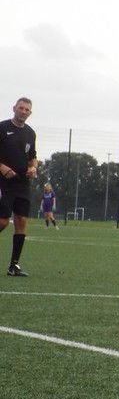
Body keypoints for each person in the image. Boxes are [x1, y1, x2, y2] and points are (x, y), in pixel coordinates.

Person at [0, 98, 38, 276]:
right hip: (3, 182)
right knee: (2, 221)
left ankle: (14, 265)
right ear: (14, 108)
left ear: (30, 113)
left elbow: (32, 157)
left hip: (22, 183)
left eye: (27, 109)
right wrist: (2, 167)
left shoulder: (31, 133)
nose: (23, 111)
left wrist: (33, 168)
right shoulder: (2, 128)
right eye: (21, 108)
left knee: (21, 221)